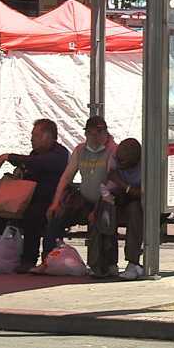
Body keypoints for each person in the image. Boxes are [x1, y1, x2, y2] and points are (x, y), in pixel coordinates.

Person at [0, 118, 69, 274]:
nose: (32, 139)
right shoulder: (35, 154)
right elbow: (31, 162)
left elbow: (40, 163)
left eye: (36, 135)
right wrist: (21, 168)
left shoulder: (59, 154)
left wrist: (9, 157)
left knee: (34, 214)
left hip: (49, 202)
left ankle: (28, 259)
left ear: (48, 137)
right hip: (26, 200)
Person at [40, 116, 118, 277]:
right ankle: (47, 260)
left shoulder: (112, 150)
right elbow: (66, 178)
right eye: (90, 133)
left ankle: (102, 264)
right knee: (55, 217)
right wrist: (55, 203)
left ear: (106, 133)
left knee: (100, 220)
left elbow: (112, 182)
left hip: (105, 201)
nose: (94, 137)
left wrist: (98, 208)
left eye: (98, 132)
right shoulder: (80, 150)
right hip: (83, 200)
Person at [105, 138, 144, 280]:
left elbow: (142, 193)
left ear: (134, 159)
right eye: (117, 159)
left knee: (134, 209)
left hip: (146, 202)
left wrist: (119, 180)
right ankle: (109, 262)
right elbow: (111, 185)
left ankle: (133, 262)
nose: (118, 163)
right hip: (124, 194)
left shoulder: (145, 163)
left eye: (122, 161)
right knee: (108, 209)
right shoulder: (116, 156)